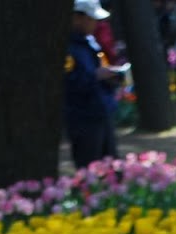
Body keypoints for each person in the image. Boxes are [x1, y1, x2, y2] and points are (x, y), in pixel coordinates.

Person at [64, 0, 123, 171]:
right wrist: (95, 76)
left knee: (111, 167)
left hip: (101, 111)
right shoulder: (67, 48)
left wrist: (110, 77)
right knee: (89, 168)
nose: (96, 24)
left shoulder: (90, 42)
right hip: (83, 116)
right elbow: (69, 83)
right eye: (91, 19)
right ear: (77, 18)